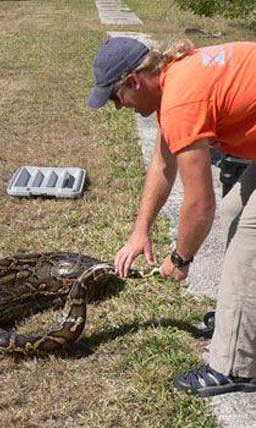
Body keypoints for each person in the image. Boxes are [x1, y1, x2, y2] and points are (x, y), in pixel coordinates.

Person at [87, 37, 256, 397]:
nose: (117, 107)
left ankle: (236, 368)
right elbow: (163, 165)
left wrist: (181, 257)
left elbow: (199, 202)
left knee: (248, 238)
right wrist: (140, 231)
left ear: (134, 80)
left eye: (116, 97)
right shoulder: (174, 78)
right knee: (235, 213)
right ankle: (239, 317)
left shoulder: (181, 99)